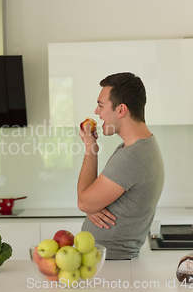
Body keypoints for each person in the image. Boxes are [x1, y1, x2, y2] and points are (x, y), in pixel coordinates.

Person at [77, 72, 164, 260]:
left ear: (121, 110)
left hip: (111, 264)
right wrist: (91, 205)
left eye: (101, 105)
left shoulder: (132, 156)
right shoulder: (139, 147)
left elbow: (84, 201)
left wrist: (89, 148)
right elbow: (90, 201)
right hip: (110, 261)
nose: (96, 112)